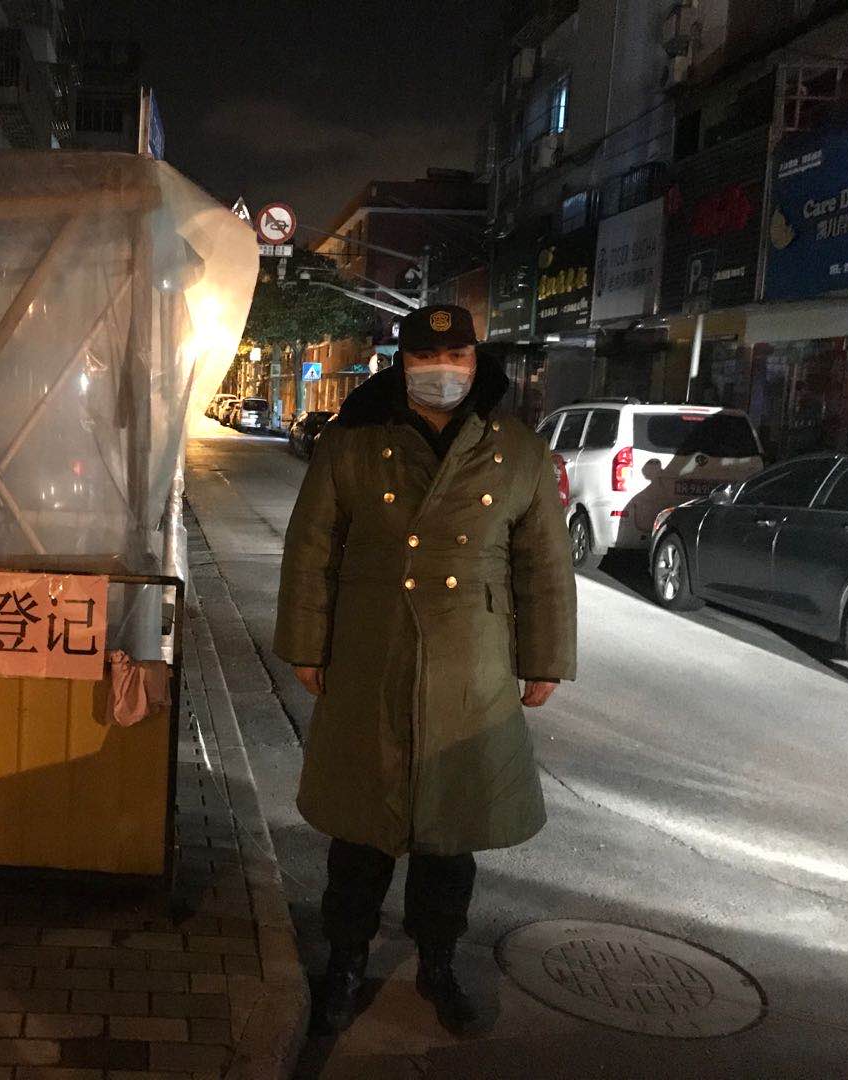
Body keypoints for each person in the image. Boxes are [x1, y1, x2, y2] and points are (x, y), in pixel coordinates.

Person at [273, 304, 577, 1037]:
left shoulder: (517, 449)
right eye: (426, 358)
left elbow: (543, 563)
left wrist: (544, 659)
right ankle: (346, 961)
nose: (443, 370)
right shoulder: (354, 442)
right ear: (402, 364)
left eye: (457, 356)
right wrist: (307, 645)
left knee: (451, 833)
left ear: (477, 360)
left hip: (470, 662)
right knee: (360, 830)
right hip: (370, 651)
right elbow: (312, 548)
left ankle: (438, 961)